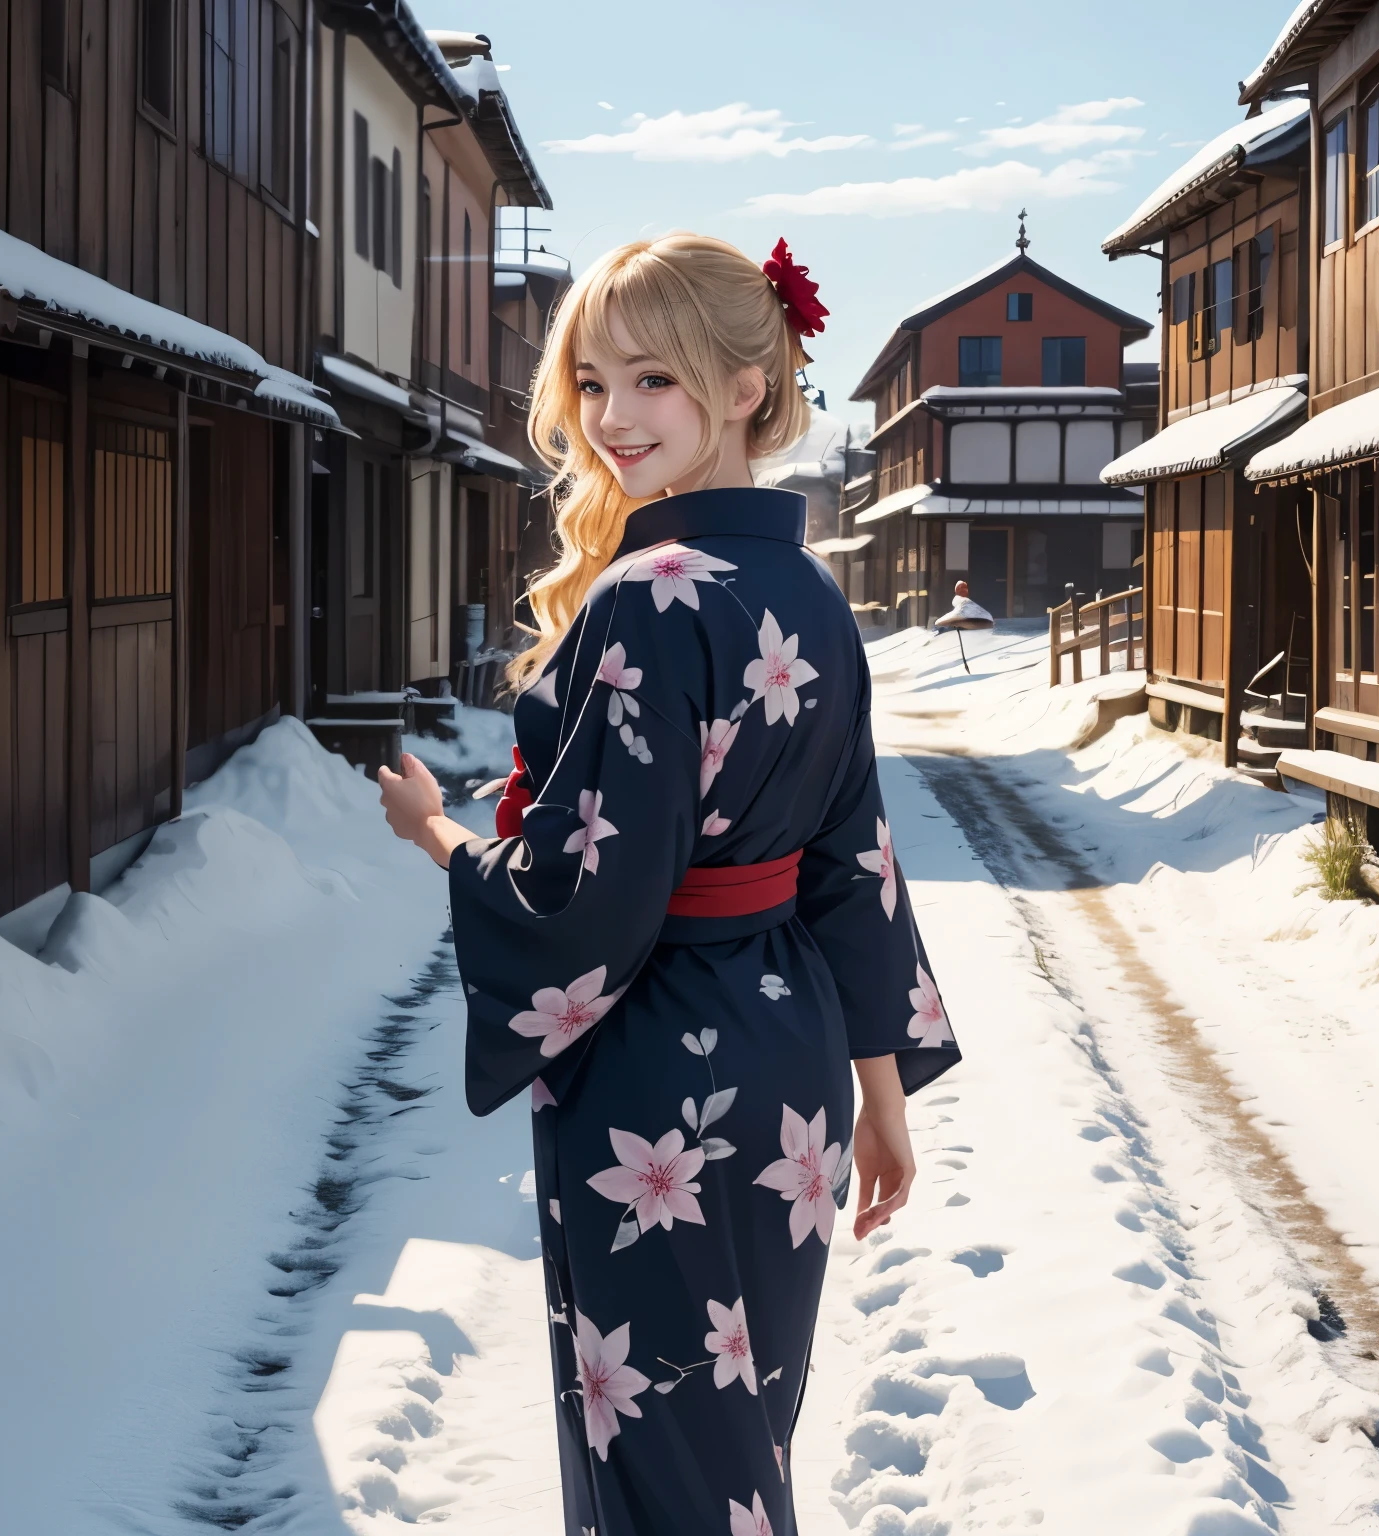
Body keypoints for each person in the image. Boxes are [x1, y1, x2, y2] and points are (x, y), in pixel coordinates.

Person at [377, 233, 957, 1536]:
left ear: (745, 386)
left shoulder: (649, 596)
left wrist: (439, 837)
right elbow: (852, 859)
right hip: (790, 1062)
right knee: (740, 1449)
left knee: (666, 1476)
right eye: (592, 384)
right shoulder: (811, 591)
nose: (611, 418)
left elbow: (588, 896)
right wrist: (879, 1096)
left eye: (652, 381)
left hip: (659, 1077)